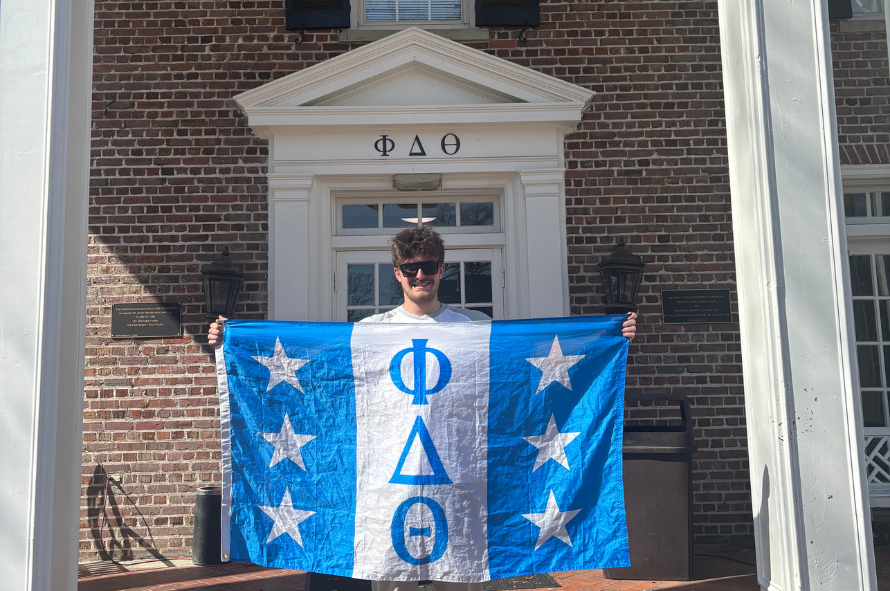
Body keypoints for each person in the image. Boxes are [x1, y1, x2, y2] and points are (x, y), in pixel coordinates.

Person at [207, 227, 637, 591]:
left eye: (428, 266)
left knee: (461, 575)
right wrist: (229, 343)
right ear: (396, 273)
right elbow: (322, 380)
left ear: (441, 270)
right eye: (410, 268)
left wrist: (612, 337)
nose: (420, 275)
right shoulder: (370, 332)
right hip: (387, 490)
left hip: (461, 487)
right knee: (392, 580)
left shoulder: (475, 329)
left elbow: (521, 380)